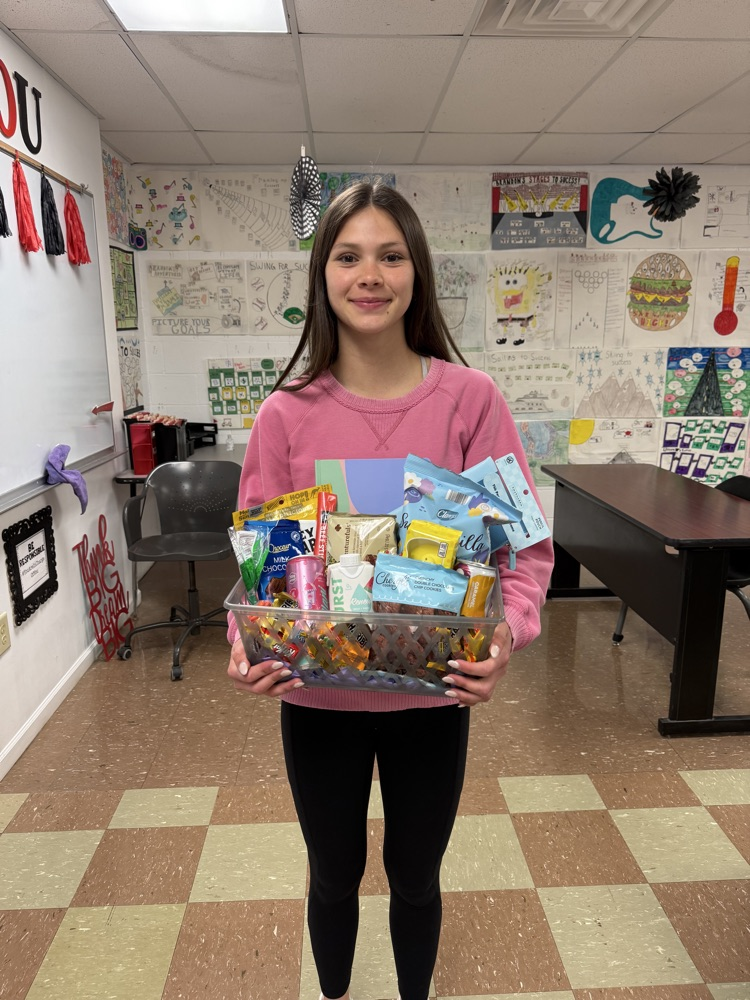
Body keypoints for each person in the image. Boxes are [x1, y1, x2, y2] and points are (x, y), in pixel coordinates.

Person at [227, 182, 554, 1000]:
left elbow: (526, 554)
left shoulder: (471, 402)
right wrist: (247, 644)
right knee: (332, 875)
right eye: (347, 256)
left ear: (417, 273)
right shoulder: (285, 416)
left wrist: (508, 632)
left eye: (390, 254)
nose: (369, 274)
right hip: (318, 700)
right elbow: (261, 569)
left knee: (416, 876)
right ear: (322, 274)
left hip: (433, 698)